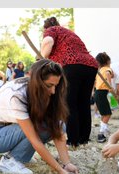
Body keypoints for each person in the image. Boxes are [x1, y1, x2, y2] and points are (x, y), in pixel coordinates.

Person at [0, 59, 79, 174]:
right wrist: (59, 169)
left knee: (58, 124)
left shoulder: (43, 92)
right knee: (37, 128)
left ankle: (19, 155)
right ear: (37, 81)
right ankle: (10, 162)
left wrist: (66, 164)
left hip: (11, 129)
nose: (53, 91)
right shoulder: (17, 95)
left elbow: (56, 128)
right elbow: (34, 139)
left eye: (56, 85)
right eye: (49, 86)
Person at [40, 17, 99, 146]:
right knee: (83, 103)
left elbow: (48, 42)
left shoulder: (51, 30)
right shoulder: (69, 33)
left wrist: (43, 56)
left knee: (69, 103)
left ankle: (73, 140)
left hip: (71, 64)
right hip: (90, 65)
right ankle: (84, 138)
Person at [94, 53, 114, 142]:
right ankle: (101, 133)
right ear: (107, 61)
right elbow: (109, 73)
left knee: (104, 114)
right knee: (108, 114)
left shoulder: (100, 70)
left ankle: (104, 129)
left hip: (97, 93)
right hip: (102, 93)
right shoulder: (107, 69)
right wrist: (110, 85)